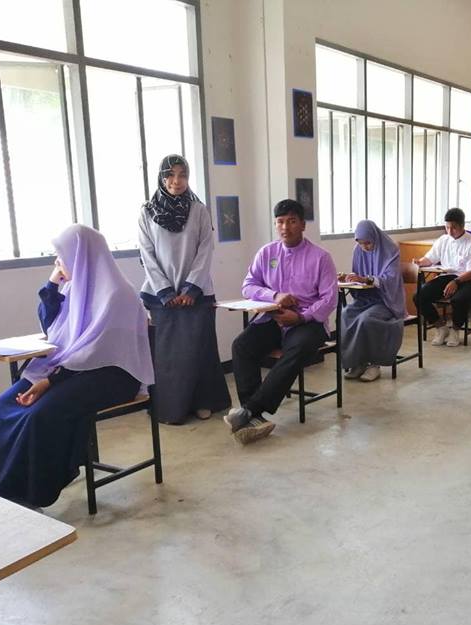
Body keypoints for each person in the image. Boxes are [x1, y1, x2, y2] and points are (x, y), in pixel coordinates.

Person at [0, 225, 155, 509]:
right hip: (68, 367)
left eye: (62, 255)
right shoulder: (74, 288)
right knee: (3, 405)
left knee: (41, 414)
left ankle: (32, 495)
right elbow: (50, 326)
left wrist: (50, 382)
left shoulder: (117, 295)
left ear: (81, 255)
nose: (58, 261)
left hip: (113, 375)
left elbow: (98, 353)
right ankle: (3, 492)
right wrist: (52, 284)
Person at [225, 199, 337, 444]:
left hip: (309, 321)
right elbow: (248, 285)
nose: (285, 227)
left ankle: (250, 410)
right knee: (241, 346)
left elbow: (330, 299)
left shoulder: (321, 257)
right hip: (273, 317)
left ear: (303, 225)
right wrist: (274, 296)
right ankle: (253, 417)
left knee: (295, 349)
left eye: (292, 221)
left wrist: (300, 317)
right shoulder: (267, 253)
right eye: (280, 222)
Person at [138, 154, 230, 424]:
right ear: (161, 177)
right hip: (161, 297)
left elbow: (205, 250)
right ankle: (171, 408)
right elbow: (147, 255)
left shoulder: (198, 210)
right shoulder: (147, 212)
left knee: (198, 350)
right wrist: (165, 292)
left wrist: (191, 289)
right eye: (170, 175)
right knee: (168, 355)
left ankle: (203, 402)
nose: (176, 181)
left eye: (182, 175)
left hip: (196, 294)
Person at [340, 220, 406, 382]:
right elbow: (358, 275)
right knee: (346, 314)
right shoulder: (358, 250)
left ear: (375, 237)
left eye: (368, 243)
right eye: (361, 243)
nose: (365, 247)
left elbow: (390, 280)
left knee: (366, 319)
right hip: (366, 299)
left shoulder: (390, 250)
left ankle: (374, 364)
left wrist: (366, 279)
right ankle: (357, 363)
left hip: (387, 301)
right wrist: (349, 278)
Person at [411, 207, 471, 347]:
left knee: (458, 299)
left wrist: (456, 282)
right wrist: (419, 262)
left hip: (469, 280)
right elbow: (430, 258)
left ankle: (455, 330)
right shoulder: (443, 240)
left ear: (462, 226)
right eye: (447, 227)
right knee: (418, 296)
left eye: (454, 228)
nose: (450, 231)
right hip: (448, 276)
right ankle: (441, 327)